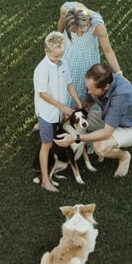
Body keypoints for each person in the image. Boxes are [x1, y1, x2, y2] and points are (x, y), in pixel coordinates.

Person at [54, 63, 132, 178]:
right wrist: (71, 114)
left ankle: (124, 157)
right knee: (79, 122)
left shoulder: (122, 95)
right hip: (108, 117)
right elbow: (87, 103)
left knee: (99, 146)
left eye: (91, 89)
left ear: (106, 87)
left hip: (129, 128)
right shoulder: (99, 81)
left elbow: (107, 132)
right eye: (88, 87)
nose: (88, 92)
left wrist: (76, 137)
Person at [33, 31, 84, 193]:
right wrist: (61, 107)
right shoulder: (41, 70)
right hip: (47, 113)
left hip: (59, 112)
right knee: (47, 143)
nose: (59, 59)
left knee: (53, 141)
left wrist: (78, 103)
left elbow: (69, 84)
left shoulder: (63, 63)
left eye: (61, 55)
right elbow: (42, 93)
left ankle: (52, 168)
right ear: (46, 51)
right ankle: (45, 180)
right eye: (55, 56)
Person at [58, 1, 122, 106]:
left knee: (81, 87)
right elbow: (61, 24)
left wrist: (119, 73)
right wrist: (58, 39)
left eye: (82, 32)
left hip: (85, 59)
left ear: (88, 23)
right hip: (67, 52)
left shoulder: (97, 25)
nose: (78, 35)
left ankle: (78, 112)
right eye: (74, 32)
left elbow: (108, 50)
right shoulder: (65, 9)